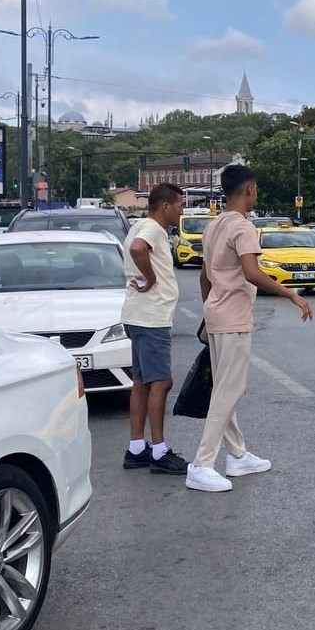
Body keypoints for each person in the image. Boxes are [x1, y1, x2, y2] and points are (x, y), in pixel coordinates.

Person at [187, 164, 314, 493]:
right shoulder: (243, 228)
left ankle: (238, 455)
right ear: (248, 190)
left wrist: (208, 309)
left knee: (223, 387)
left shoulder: (214, 226)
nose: (256, 194)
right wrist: (293, 295)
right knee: (230, 390)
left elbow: (204, 276)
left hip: (216, 315)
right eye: (255, 189)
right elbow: (252, 272)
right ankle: (202, 464)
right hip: (233, 319)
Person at [121, 183, 189, 474]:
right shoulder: (152, 229)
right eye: (179, 206)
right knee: (161, 382)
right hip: (151, 318)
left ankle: (137, 447)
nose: (181, 210)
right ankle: (159, 451)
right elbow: (139, 250)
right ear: (165, 207)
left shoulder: (137, 225)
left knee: (142, 382)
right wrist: (150, 278)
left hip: (137, 315)